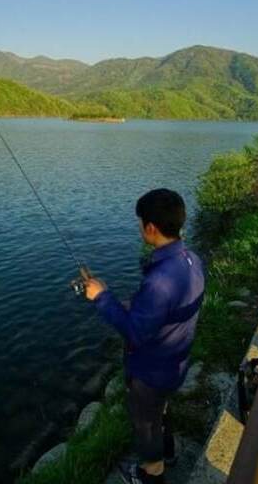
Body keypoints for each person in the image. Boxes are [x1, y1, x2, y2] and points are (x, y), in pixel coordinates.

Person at [84, 189, 205, 484]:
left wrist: (101, 297)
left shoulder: (160, 279)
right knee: (161, 411)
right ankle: (169, 453)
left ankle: (151, 473)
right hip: (177, 360)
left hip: (151, 370)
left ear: (151, 228)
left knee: (145, 422)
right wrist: (134, 306)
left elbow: (136, 333)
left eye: (140, 223)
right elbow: (171, 309)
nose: (139, 227)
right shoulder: (191, 260)